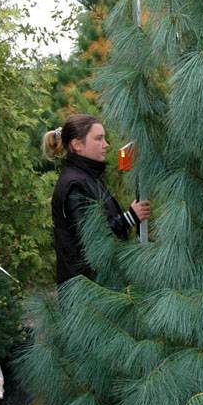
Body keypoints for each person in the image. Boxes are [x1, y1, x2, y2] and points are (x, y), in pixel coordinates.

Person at [42, 113, 151, 285]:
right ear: (77, 145)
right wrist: (129, 218)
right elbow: (91, 240)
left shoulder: (89, 177)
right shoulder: (74, 185)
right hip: (87, 292)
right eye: (99, 139)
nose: (106, 145)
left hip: (98, 286)